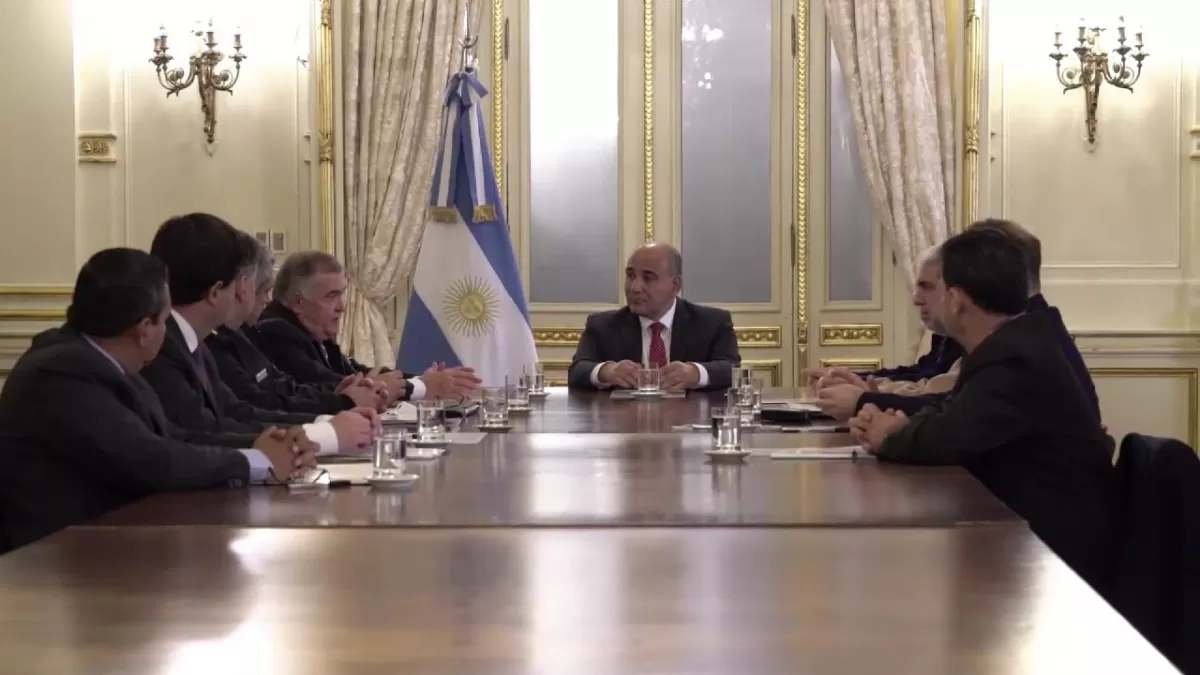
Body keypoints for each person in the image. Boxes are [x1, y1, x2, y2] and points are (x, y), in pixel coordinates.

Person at [849, 228, 1115, 591]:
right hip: (1023, 537)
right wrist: (902, 423)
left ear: (956, 300)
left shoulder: (1015, 359)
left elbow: (948, 437)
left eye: (937, 289)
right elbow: (953, 411)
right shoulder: (1013, 344)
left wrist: (889, 433)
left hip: (1049, 561)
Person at [0, 249, 317, 552]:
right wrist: (258, 461)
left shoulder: (107, 360)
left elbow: (174, 435)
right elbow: (151, 459)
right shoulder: (62, 373)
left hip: (109, 543)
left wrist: (263, 444)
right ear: (144, 329)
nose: (167, 332)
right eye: (165, 321)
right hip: (53, 561)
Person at [141, 213, 377, 453]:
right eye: (239, 282)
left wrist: (326, 423)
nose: (244, 291)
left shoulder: (190, 340)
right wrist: (325, 434)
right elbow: (202, 433)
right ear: (215, 293)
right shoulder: (161, 348)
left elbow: (237, 412)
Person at [252, 251, 480, 400]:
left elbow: (356, 372)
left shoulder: (313, 330)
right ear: (297, 302)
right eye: (331, 297)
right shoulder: (277, 332)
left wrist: (424, 379)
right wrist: (422, 386)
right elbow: (337, 386)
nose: (342, 307)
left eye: (341, 295)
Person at [207, 234, 384, 415]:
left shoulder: (239, 333)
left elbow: (282, 386)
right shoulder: (273, 331)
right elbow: (254, 405)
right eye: (332, 296)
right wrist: (342, 401)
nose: (268, 300)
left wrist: (338, 394)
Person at [568, 242, 740, 392]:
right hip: (624, 424)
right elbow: (577, 371)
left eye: (648, 278)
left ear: (675, 285)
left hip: (689, 424)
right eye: (631, 276)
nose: (635, 287)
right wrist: (607, 371)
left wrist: (694, 373)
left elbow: (731, 369)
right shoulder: (602, 326)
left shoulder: (712, 323)